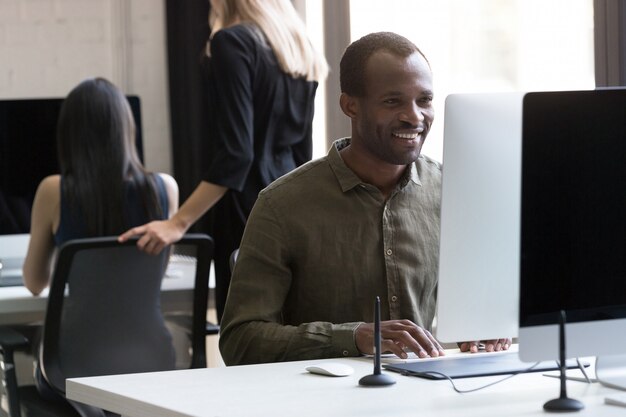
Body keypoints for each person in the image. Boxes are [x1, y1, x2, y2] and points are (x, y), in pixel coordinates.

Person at [218, 32, 511, 365]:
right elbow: (239, 340)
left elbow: (484, 309)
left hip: (429, 395)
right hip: (319, 402)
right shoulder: (280, 206)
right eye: (393, 101)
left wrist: (486, 329)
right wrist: (353, 337)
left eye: (424, 100)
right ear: (350, 106)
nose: (414, 116)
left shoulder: (455, 191)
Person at [118, 0, 328, 321]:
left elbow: (237, 155)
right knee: (290, 336)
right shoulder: (300, 49)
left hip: (245, 215)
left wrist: (177, 223)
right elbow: (303, 154)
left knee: (246, 338)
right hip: (293, 212)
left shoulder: (232, 42)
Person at [23, 77, 178, 295]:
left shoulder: (53, 190)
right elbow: (158, 273)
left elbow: (35, 283)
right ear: (126, 129)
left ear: (69, 133)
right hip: (148, 329)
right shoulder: (166, 187)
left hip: (79, 329)